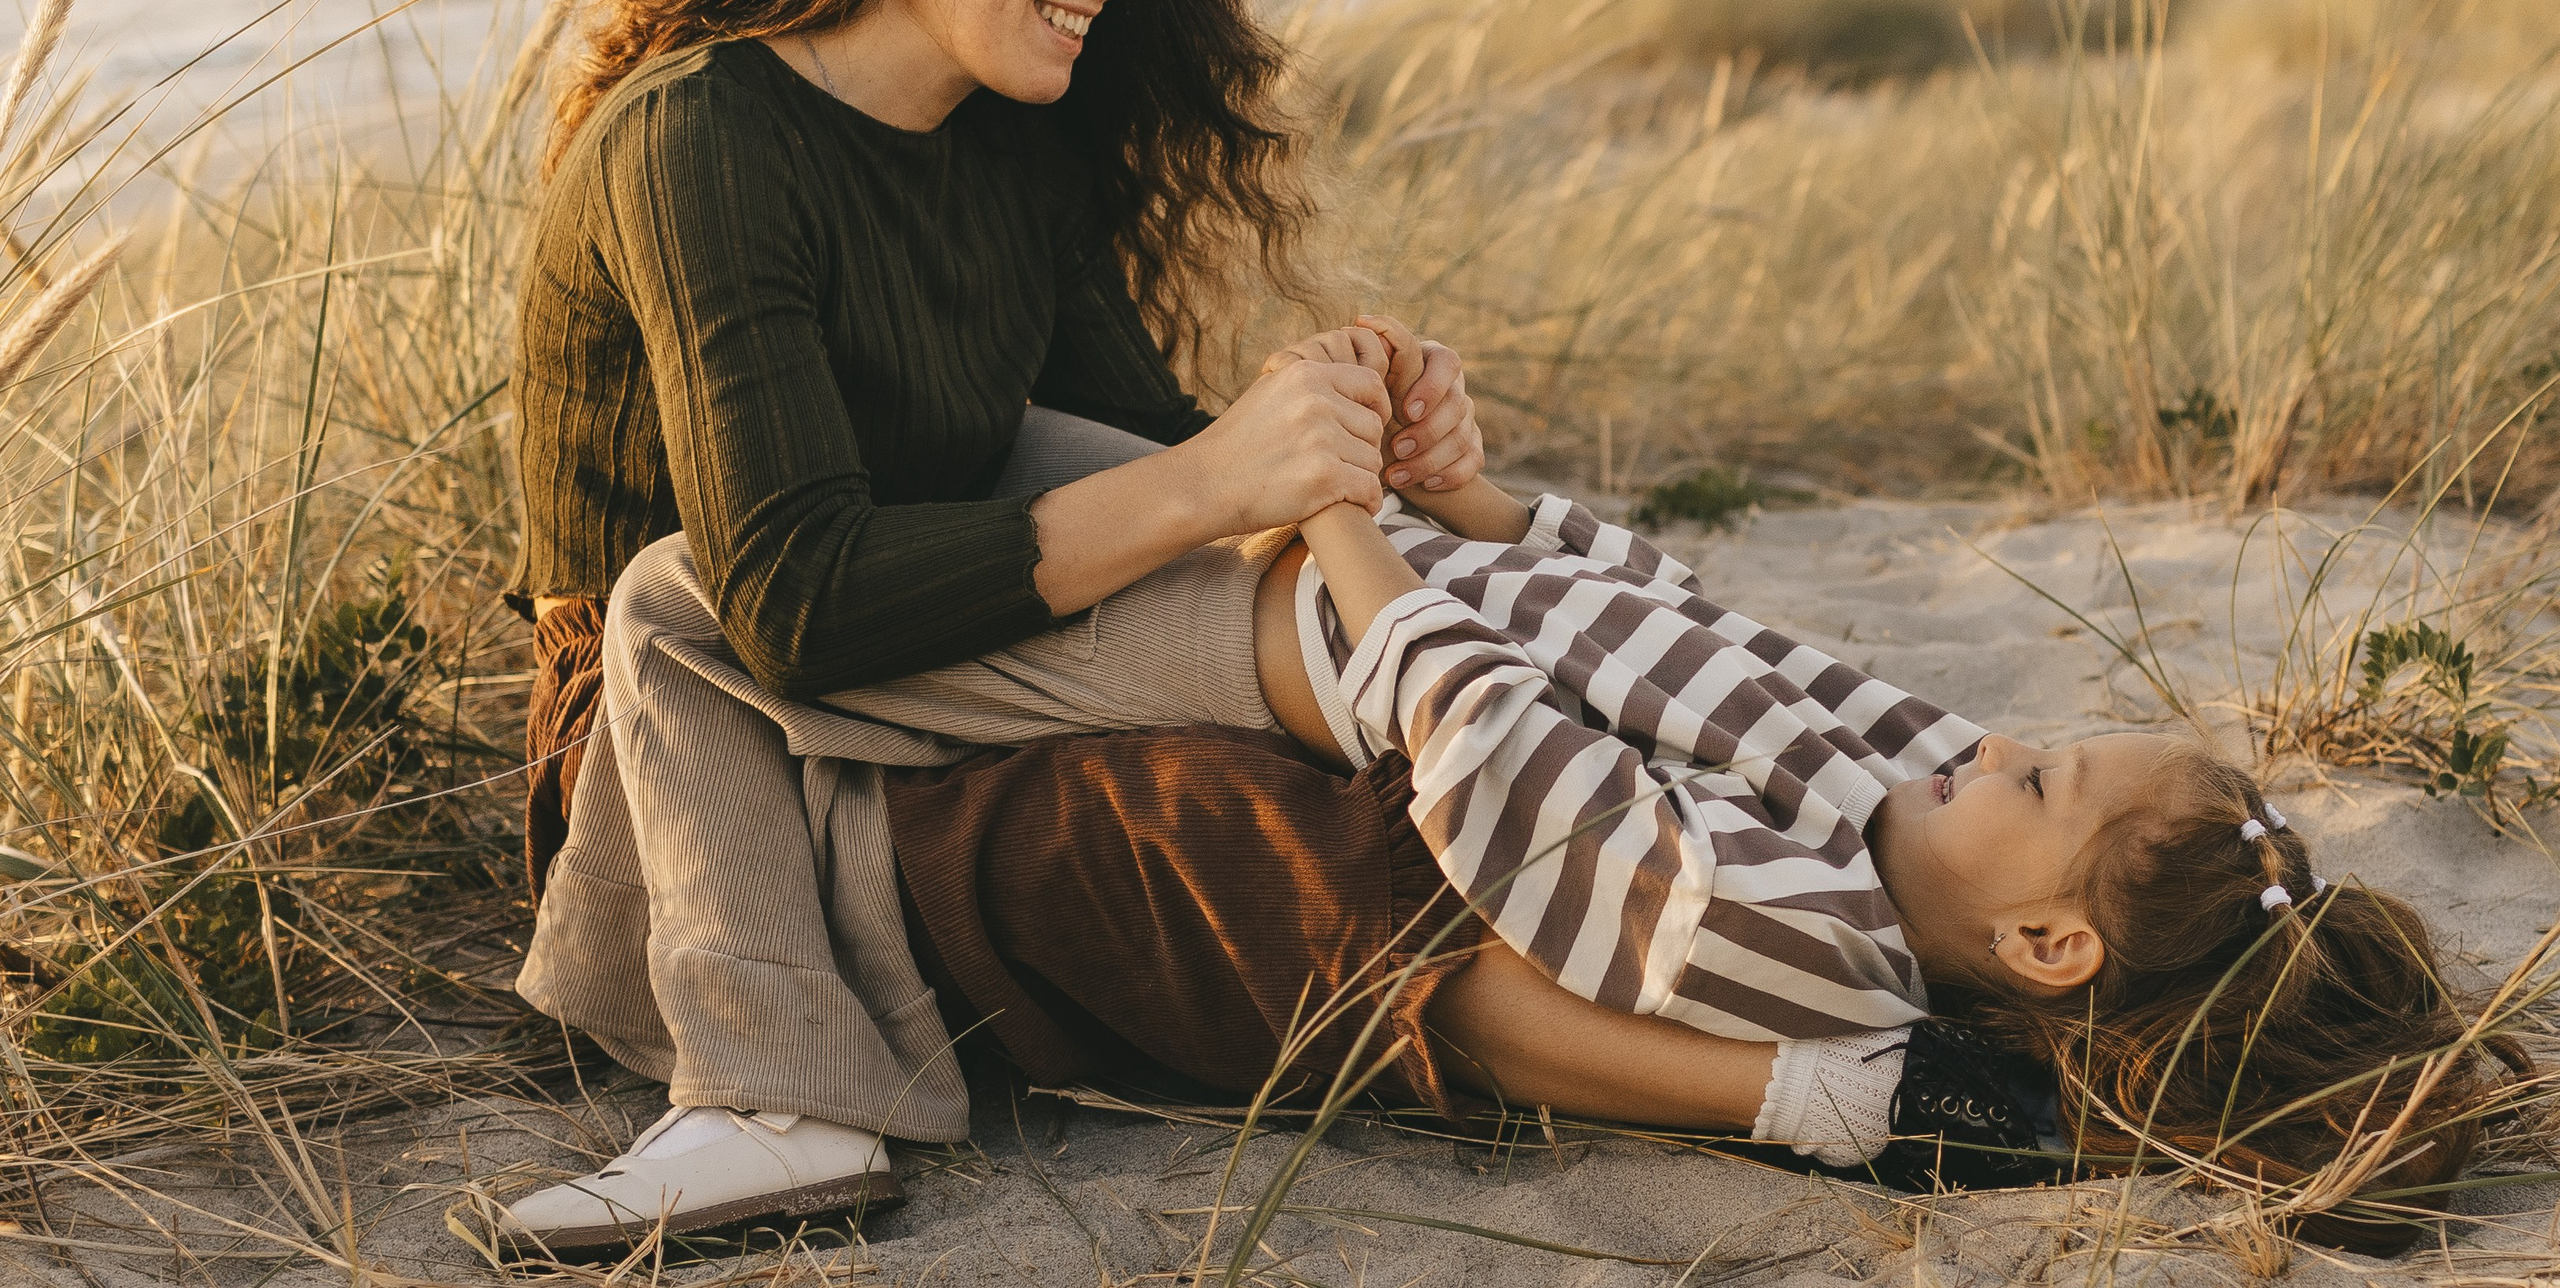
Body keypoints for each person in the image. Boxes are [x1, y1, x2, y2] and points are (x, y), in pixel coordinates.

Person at [505, 339, 2515, 1256]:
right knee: (941, 445)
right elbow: (1662, 614)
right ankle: (713, 969)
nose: (1993, 734)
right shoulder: (1897, 785)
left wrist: (1338, 527)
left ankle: (745, 1075)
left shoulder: (1796, 919)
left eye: (2039, 769)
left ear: (2046, 937)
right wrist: (1476, 497)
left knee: (698, 598)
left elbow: (1498, 769)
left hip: (1304, 626)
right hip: (1366, 579)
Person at [503, 0, 1484, 1236]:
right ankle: (772, 1098)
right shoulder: (702, 139)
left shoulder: (1006, 141)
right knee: (1256, 839)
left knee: (1349, 743)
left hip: (951, 663)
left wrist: (1371, 452)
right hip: (702, 763)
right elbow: (794, 606)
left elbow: (1146, 450)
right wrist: (1226, 484)